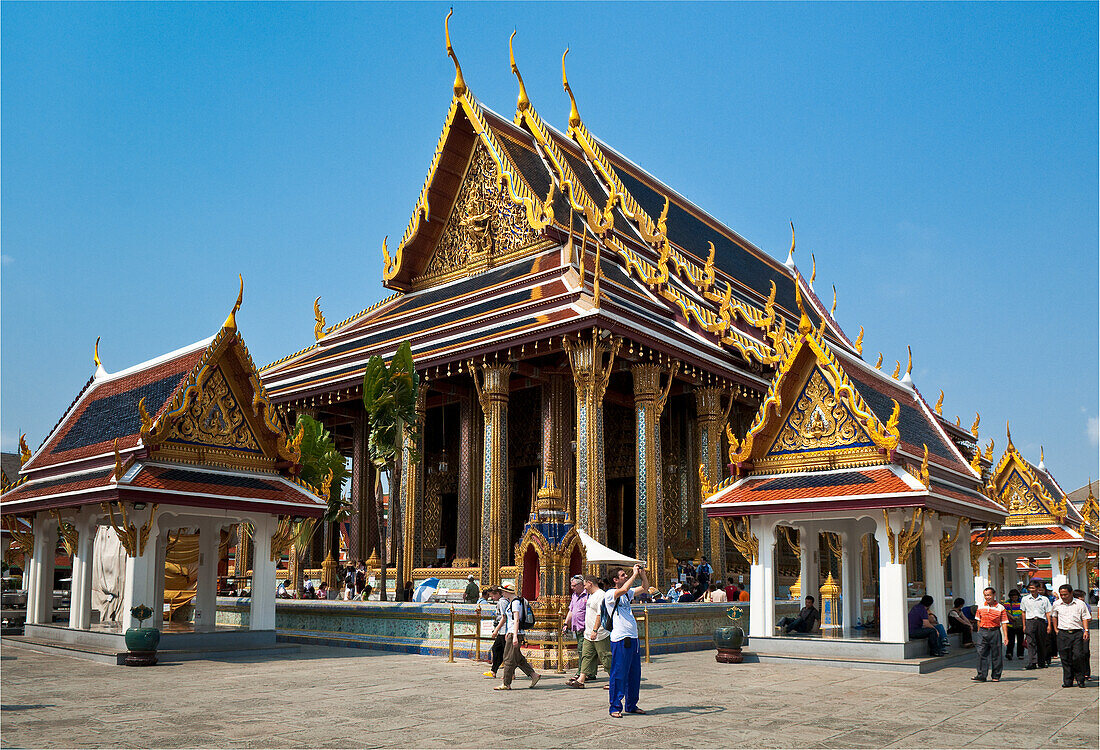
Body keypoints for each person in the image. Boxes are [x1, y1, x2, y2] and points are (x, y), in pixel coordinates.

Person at [605, 564, 649, 717]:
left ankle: (631, 704)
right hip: (620, 638)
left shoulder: (627, 594)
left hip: (633, 637)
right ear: (615, 579)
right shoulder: (610, 594)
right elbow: (623, 589)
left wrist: (642, 574)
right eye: (623, 575)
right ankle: (615, 706)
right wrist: (634, 575)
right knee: (619, 673)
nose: (625, 576)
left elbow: (645, 588)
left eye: (626, 575)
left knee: (634, 673)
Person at [494, 583, 540, 690]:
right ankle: (533, 675)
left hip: (515, 633)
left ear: (507, 592)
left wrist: (514, 635)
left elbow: (516, 620)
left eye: (503, 591)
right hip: (512, 632)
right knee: (517, 657)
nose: (502, 593)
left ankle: (506, 683)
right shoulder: (512, 602)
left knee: (508, 658)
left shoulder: (515, 603)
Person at [569, 575, 612, 689]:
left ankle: (615, 679)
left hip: (599, 633)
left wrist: (595, 630)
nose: (584, 587)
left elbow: (599, 614)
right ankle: (581, 680)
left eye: (584, 585)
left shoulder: (601, 595)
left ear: (590, 583)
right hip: (588, 633)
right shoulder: (591, 596)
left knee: (605, 657)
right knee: (586, 656)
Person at [1051, 584, 1091, 688]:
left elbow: (1085, 617)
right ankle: (1068, 680)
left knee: (1078, 656)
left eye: (1065, 594)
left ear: (1071, 593)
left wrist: (1086, 630)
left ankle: (1080, 678)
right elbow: (1054, 616)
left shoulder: (1080, 604)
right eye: (1061, 595)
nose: (1063, 597)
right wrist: (1056, 629)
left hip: (1077, 632)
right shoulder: (1056, 604)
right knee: (1065, 657)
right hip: (1063, 633)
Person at [972, 587, 1010, 682]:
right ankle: (981, 675)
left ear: (994, 595)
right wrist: (979, 632)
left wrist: (1006, 636)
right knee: (981, 653)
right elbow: (978, 620)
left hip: (995, 631)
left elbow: (1004, 622)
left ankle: (996, 676)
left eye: (989, 595)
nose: (987, 597)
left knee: (996, 654)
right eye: (985, 595)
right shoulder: (980, 606)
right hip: (983, 631)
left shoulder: (1000, 608)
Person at [563, 575, 590, 684]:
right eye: (571, 585)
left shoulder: (588, 595)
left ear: (581, 585)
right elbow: (571, 611)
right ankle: (588, 673)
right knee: (583, 651)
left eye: (574, 585)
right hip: (577, 628)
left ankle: (581, 673)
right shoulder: (574, 596)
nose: (572, 587)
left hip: (586, 628)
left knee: (583, 651)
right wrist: (565, 623)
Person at [1020, 581, 1052, 670]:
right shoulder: (1025, 599)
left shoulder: (1044, 599)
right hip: (1030, 621)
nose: (1031, 590)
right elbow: (1023, 612)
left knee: (1041, 642)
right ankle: (1032, 662)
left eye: (1033, 588)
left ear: (1038, 589)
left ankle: (1041, 661)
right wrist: (1024, 625)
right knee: (1030, 642)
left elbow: (1048, 612)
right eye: (1030, 588)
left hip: (1041, 621)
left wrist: (1049, 625)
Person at [482, 586, 506, 679]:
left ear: (498, 594)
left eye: (493, 596)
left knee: (506, 653)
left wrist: (496, 630)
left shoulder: (502, 602)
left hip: (504, 630)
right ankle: (493, 670)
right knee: (497, 649)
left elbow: (504, 617)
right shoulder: (502, 601)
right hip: (502, 630)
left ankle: (510, 673)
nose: (492, 598)